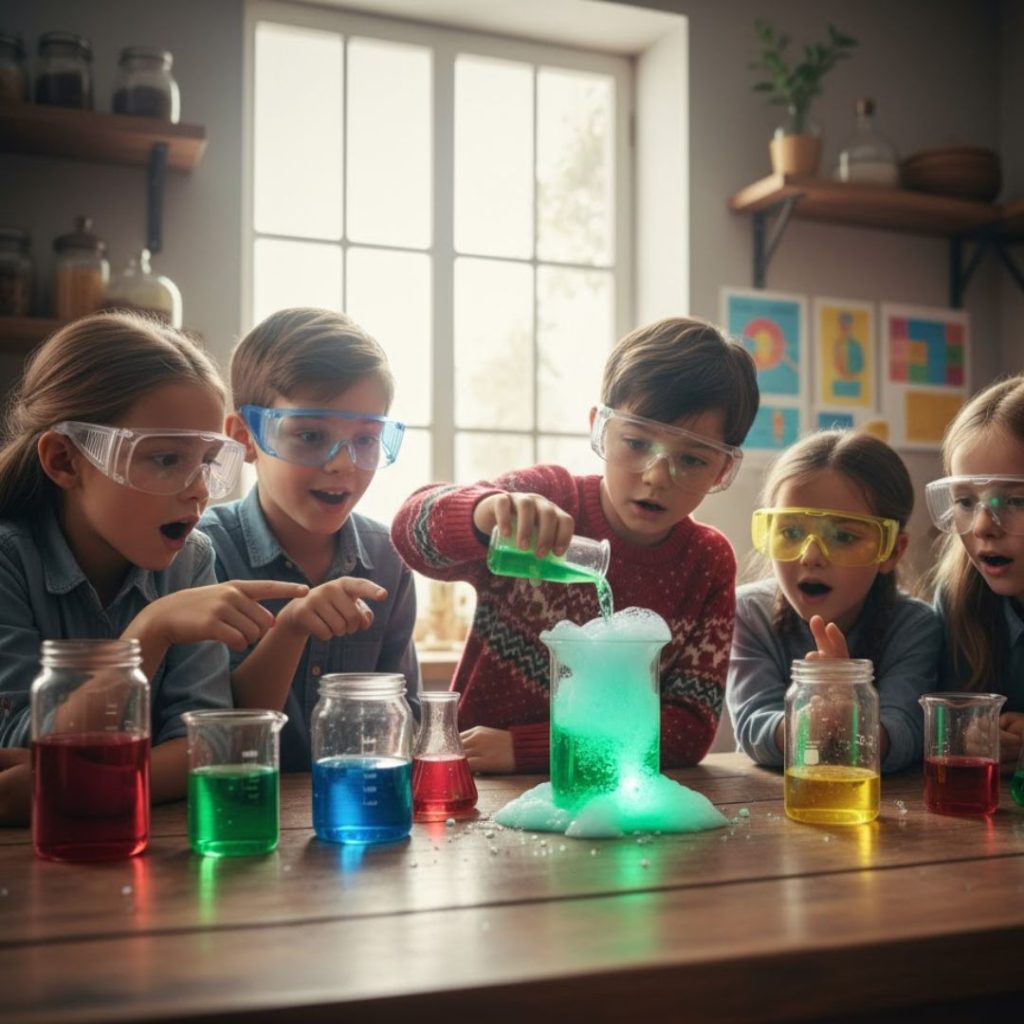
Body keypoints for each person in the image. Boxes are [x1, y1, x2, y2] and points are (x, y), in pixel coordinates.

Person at [391, 316, 759, 774]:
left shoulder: (706, 561)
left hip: (614, 796)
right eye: (637, 442)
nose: (656, 476)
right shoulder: (547, 498)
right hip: (477, 784)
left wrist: (531, 749)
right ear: (600, 429)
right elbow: (410, 533)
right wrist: (484, 514)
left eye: (691, 459)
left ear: (722, 470)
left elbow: (687, 730)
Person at [0, 312, 307, 823]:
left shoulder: (192, 559)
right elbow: (19, 748)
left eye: (209, 461)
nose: (199, 489)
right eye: (165, 459)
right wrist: (150, 630)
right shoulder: (9, 561)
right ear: (63, 461)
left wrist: (63, 779)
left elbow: (205, 744)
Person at [200, 307, 420, 772]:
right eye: (310, 435)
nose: (343, 463)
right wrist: (292, 628)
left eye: (366, 439)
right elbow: (211, 736)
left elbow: (404, 723)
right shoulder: (202, 554)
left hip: (356, 815)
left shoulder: (388, 560)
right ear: (245, 438)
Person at [727, 430, 941, 774]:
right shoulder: (750, 613)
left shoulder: (915, 625)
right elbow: (753, 727)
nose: (811, 556)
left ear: (892, 551)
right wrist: (813, 722)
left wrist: (847, 704)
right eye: (791, 533)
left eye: (843, 536)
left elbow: (905, 733)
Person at [925, 373, 1024, 771]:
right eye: (965, 501)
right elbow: (945, 715)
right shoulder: (958, 595)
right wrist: (970, 733)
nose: (983, 525)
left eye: (1017, 501)